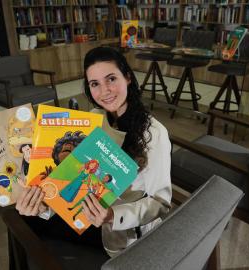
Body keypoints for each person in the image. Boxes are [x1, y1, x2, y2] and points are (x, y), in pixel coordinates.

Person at [15, 46, 172, 258]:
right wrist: (42, 206)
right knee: (23, 221)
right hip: (82, 210)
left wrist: (111, 216)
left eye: (111, 79)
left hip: (119, 230)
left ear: (127, 78)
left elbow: (161, 204)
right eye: (95, 84)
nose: (104, 91)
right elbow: (72, 175)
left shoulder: (154, 133)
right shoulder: (94, 119)